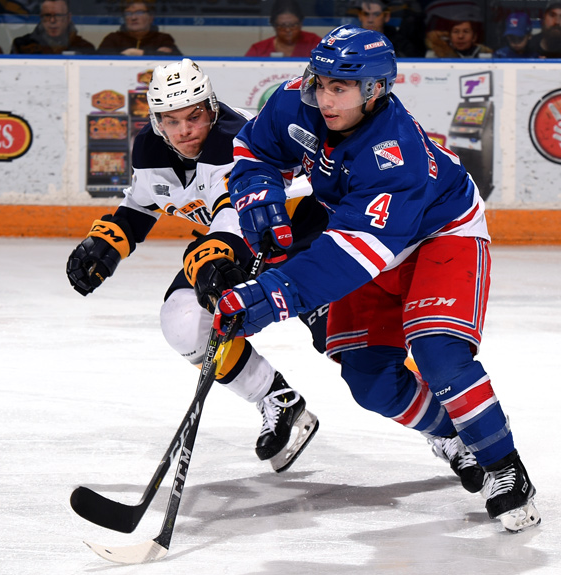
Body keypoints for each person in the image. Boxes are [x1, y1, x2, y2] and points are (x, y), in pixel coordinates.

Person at [218, 25, 540, 532]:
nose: (325, 98)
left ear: (375, 90)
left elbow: (350, 257)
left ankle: (505, 468)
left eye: (341, 88)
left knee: (439, 355)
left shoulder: (395, 153)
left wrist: (272, 295)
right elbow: (255, 149)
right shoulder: (294, 102)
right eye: (320, 83)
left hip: (440, 235)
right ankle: (454, 436)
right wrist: (258, 195)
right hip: (364, 236)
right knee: (370, 382)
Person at [66, 59, 322, 473]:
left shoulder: (234, 138)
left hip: (305, 235)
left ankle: (437, 418)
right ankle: (277, 398)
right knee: (184, 322)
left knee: (351, 347)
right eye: (171, 120)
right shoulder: (150, 147)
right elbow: (142, 203)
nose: (184, 130)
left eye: (194, 116)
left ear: (211, 108)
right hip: (238, 243)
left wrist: (211, 257)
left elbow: (233, 212)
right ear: (157, 121)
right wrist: (109, 241)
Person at [97, 1, 182, 56]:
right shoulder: (113, 39)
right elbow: (99, 61)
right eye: (128, 13)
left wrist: (139, 53)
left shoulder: (162, 39)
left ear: (151, 17)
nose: (133, 17)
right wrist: (156, 53)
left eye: (139, 12)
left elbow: (178, 62)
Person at [10, 0, 95, 55]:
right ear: (41, 17)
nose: (52, 20)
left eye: (58, 15)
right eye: (47, 15)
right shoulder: (21, 46)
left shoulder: (85, 48)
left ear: (68, 18)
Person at [244, 0, 321, 58]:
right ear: (274, 25)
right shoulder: (259, 49)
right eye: (282, 25)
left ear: (301, 23)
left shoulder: (314, 43)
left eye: (293, 25)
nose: (288, 30)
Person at [425, 18, 492, 59]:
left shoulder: (486, 54)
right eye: (456, 31)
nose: (460, 36)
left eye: (466, 31)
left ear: (474, 37)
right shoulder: (435, 55)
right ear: (450, 36)